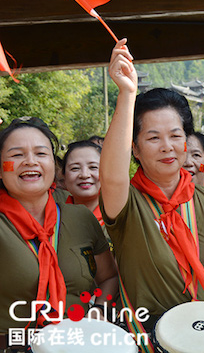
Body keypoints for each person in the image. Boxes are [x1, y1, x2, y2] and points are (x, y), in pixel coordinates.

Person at [101, 40, 204, 338]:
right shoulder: (127, 203)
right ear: (135, 149)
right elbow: (112, 177)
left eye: (175, 136)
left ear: (186, 142)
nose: (167, 147)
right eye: (153, 138)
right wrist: (127, 94)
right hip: (149, 340)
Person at [0, 117, 118, 349]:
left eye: (41, 154)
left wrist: (99, 310)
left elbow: (108, 278)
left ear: (54, 166)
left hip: (80, 345)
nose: (30, 162)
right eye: (17, 155)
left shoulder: (80, 218)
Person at [62, 140, 103, 224]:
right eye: (75, 168)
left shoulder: (118, 216)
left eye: (93, 167)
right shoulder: (55, 219)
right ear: (64, 176)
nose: (85, 175)